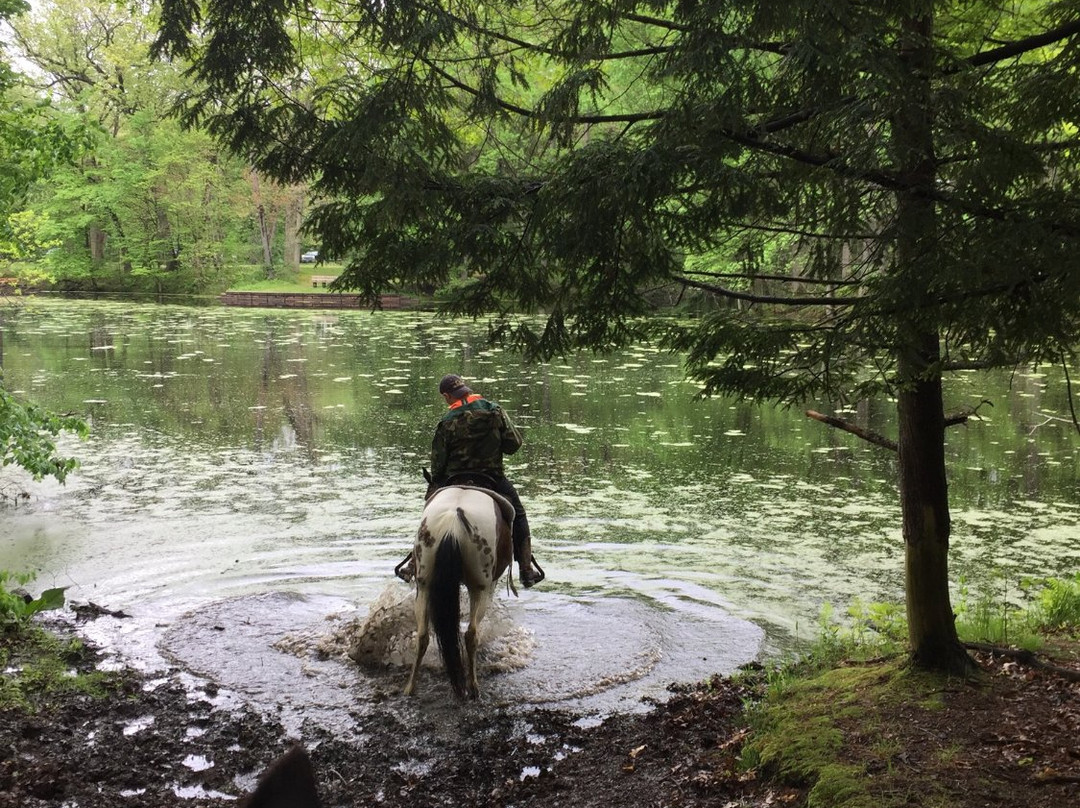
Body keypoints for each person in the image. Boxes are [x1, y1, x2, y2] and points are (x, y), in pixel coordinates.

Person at [396, 374, 544, 588]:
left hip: (453, 480)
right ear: (466, 389)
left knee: (430, 513)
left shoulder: (447, 422)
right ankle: (526, 569)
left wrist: (437, 482)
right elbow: (514, 445)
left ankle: (414, 563)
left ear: (447, 396)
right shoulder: (494, 411)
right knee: (518, 513)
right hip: (492, 478)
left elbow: (438, 465)